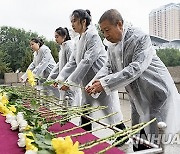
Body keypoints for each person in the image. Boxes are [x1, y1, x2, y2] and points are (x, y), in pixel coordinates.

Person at [86, 9, 180, 151]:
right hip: (137, 95)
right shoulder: (112, 46)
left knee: (155, 139)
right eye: (103, 32)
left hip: (156, 93)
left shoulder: (139, 38)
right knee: (138, 135)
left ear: (119, 24)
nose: (105, 35)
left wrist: (105, 84)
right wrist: (95, 81)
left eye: (107, 30)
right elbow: (108, 66)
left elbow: (136, 68)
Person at [55, 9, 125, 133]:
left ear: (84, 21)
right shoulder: (78, 40)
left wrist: (70, 81)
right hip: (87, 83)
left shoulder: (93, 36)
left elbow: (87, 61)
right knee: (86, 110)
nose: (72, 24)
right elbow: (72, 62)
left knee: (110, 111)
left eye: (75, 21)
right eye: (71, 21)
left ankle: (122, 136)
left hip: (99, 81)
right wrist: (60, 78)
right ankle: (84, 136)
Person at [47, 27, 81, 106]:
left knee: (70, 103)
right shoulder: (63, 48)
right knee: (64, 104)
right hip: (63, 81)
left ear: (64, 36)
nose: (55, 39)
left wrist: (69, 81)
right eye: (55, 37)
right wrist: (52, 78)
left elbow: (72, 65)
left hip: (68, 82)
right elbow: (59, 65)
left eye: (57, 36)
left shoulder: (69, 47)